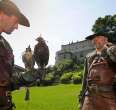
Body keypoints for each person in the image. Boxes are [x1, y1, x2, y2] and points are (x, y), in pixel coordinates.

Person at [0, 0, 30, 109]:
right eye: (16, 21)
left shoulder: (6, 47)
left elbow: (8, 81)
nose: (17, 26)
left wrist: (25, 77)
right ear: (2, 14)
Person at [79, 33, 116, 110]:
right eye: (93, 39)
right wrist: (81, 98)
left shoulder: (112, 50)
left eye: (98, 37)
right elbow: (85, 78)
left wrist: (109, 49)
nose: (95, 40)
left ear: (106, 39)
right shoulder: (89, 56)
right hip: (89, 96)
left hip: (108, 95)